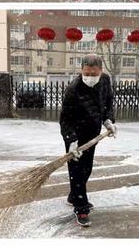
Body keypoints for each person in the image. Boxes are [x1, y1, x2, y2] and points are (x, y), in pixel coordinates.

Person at [59, 54, 116, 227]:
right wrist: (71, 141)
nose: (90, 77)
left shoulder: (105, 81)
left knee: (87, 168)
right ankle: (81, 208)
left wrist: (108, 120)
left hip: (93, 133)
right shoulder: (73, 89)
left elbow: (108, 102)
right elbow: (65, 119)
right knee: (76, 171)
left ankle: (73, 196)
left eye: (93, 74)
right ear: (81, 71)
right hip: (76, 135)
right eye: (86, 74)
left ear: (101, 71)